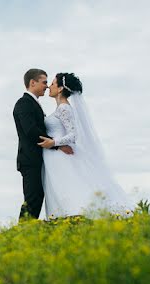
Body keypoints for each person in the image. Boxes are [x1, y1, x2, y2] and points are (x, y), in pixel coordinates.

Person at [39, 72, 130, 218]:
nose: (49, 86)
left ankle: (77, 216)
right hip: (56, 156)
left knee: (69, 188)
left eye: (53, 83)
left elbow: (73, 135)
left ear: (61, 88)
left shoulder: (64, 108)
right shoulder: (60, 108)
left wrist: (53, 142)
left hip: (61, 156)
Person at [13, 69, 73, 220]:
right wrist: (57, 145)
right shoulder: (24, 103)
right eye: (44, 82)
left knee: (37, 196)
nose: (47, 86)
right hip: (30, 159)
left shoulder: (34, 103)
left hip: (39, 159)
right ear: (32, 83)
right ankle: (23, 233)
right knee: (33, 197)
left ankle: (27, 233)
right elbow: (31, 131)